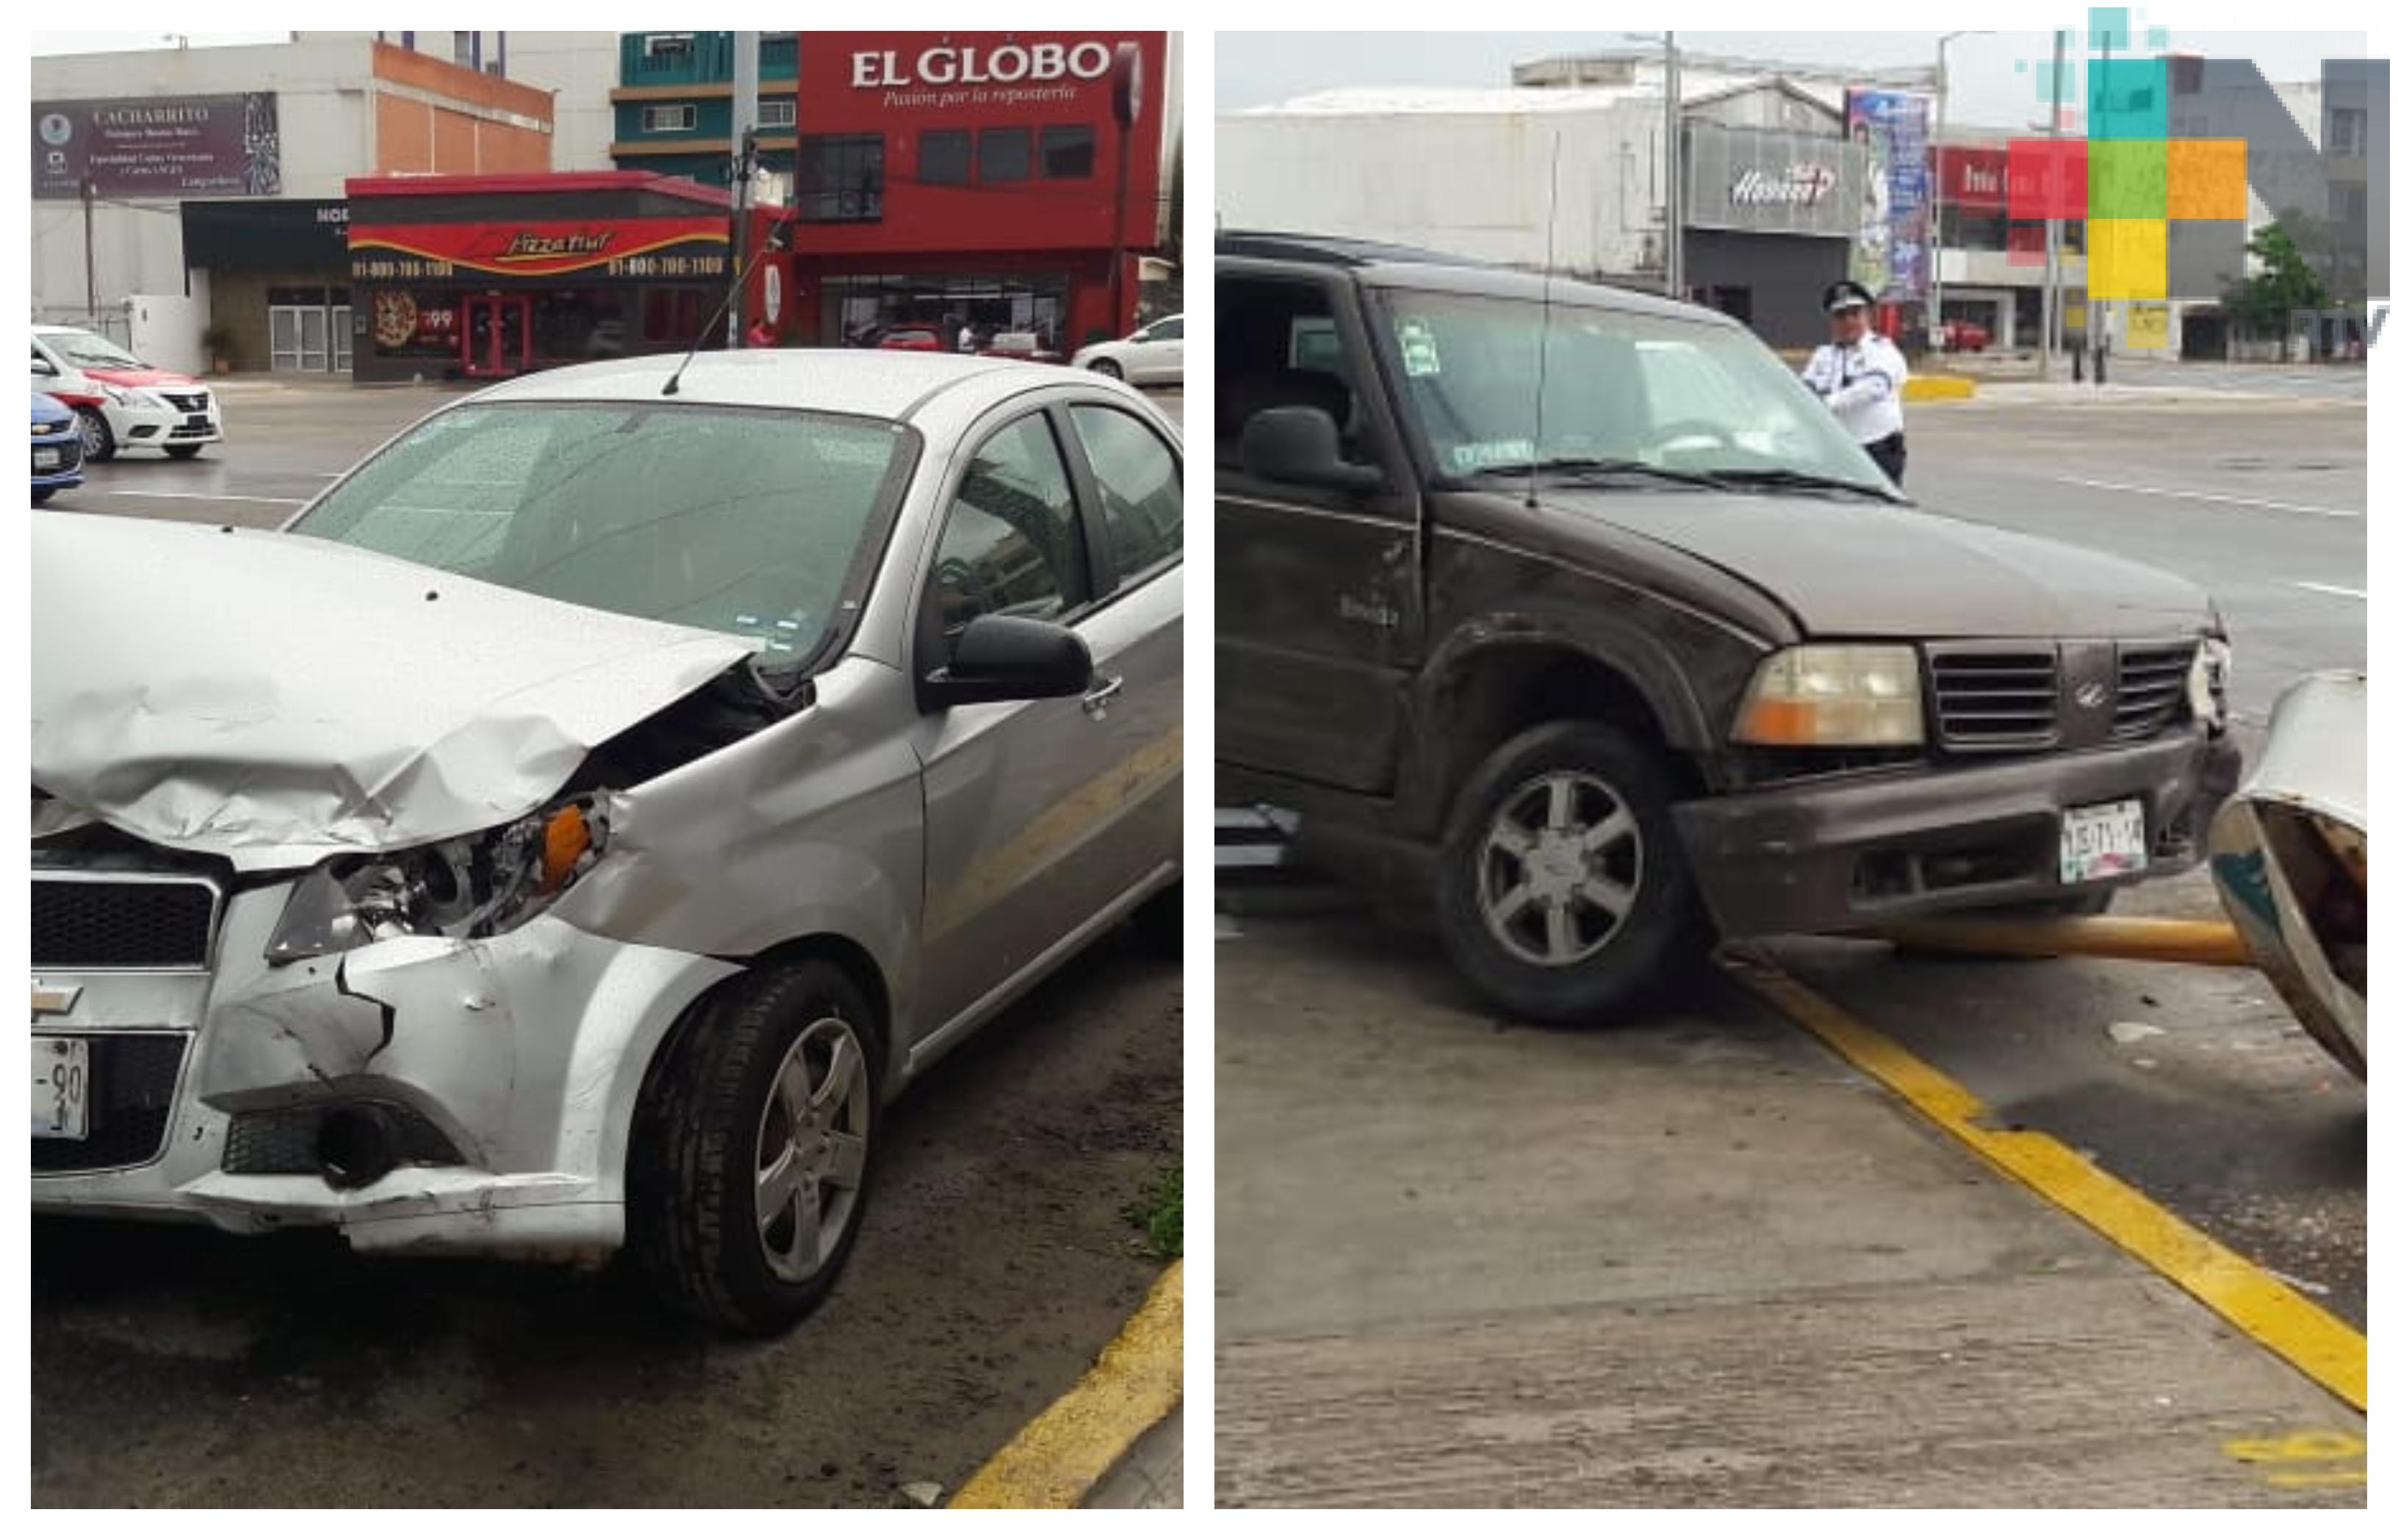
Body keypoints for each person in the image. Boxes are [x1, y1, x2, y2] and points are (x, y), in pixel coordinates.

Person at [1801, 279, 1909, 486]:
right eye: (1840, 315)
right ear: (1832, 320)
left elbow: (1874, 387)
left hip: (1876, 452)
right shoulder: (1823, 355)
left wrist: (1826, 404)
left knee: (1877, 507)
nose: (1848, 321)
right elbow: (1803, 390)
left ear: (1867, 315)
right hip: (1836, 451)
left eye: (1855, 313)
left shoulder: (1882, 351)